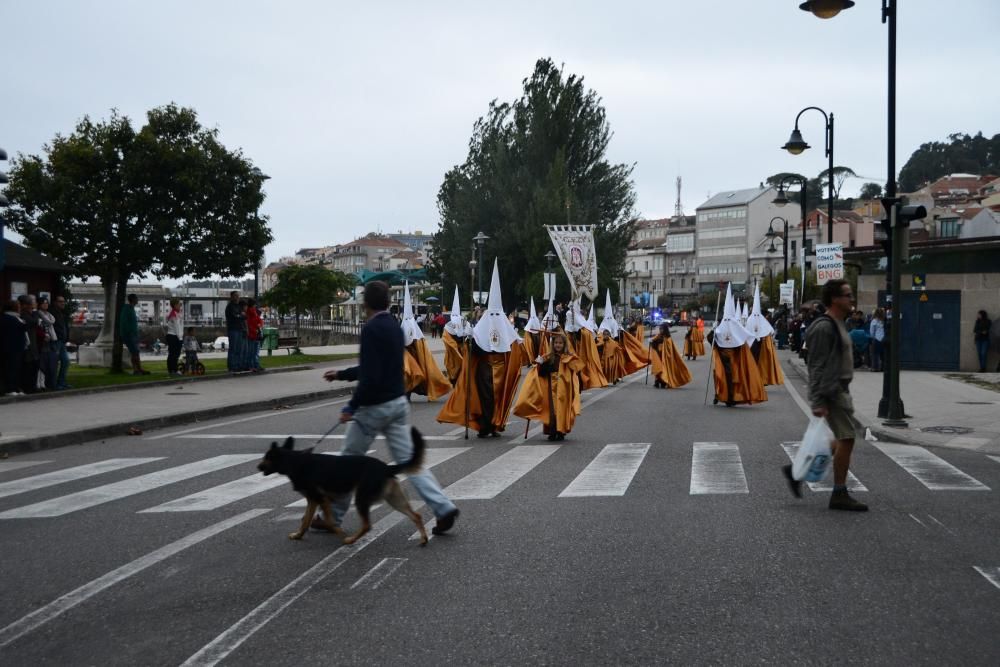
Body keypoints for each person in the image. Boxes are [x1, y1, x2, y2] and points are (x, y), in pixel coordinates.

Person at [322, 280, 459, 535]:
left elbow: (370, 373)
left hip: (374, 406)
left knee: (347, 461)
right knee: (411, 463)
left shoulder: (372, 328)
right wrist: (342, 374)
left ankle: (331, 515)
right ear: (387, 302)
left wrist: (351, 406)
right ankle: (443, 507)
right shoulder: (395, 328)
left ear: (366, 304)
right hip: (398, 401)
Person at [783, 278, 867, 512]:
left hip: (840, 390)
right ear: (834, 299)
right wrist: (818, 400)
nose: (852, 299)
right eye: (847, 295)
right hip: (831, 391)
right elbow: (816, 366)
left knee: (841, 438)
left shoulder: (840, 323)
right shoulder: (823, 327)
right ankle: (839, 493)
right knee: (848, 438)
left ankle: (796, 471)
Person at [438, 260, 525, 438]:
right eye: (490, 314)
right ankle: (485, 425)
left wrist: (519, 342)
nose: (493, 318)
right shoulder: (480, 328)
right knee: (485, 398)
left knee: (498, 398)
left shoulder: (505, 326)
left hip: (502, 369)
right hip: (485, 368)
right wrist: (471, 339)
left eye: (496, 315)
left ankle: (495, 423)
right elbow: (474, 348)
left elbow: (514, 347)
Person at [514, 331, 585, 440]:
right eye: (556, 343)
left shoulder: (569, 357)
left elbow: (576, 369)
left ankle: (561, 431)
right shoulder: (548, 357)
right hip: (551, 387)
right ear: (553, 344)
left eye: (560, 343)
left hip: (564, 388)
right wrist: (540, 363)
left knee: (562, 409)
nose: (558, 345)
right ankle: (552, 431)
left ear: (564, 345)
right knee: (552, 411)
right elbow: (542, 372)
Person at [650, 322, 691, 389]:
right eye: (660, 329)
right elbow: (654, 341)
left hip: (664, 357)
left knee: (664, 368)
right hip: (658, 355)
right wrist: (652, 342)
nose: (660, 330)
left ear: (665, 329)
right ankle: (657, 381)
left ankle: (664, 381)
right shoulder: (658, 335)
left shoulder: (668, 338)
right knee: (658, 367)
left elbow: (668, 348)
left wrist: (659, 342)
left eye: (662, 329)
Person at [1, 299, 27, 396]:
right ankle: (9, 389)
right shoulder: (9, 318)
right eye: (18, 306)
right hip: (10, 347)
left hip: (17, 347)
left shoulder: (16, 318)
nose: (20, 308)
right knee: (10, 368)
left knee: (17, 368)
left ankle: (16, 387)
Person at [119, 294, 150, 376]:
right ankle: (136, 370)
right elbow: (124, 322)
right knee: (134, 352)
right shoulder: (127, 309)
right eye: (136, 298)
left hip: (134, 334)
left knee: (136, 352)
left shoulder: (131, 309)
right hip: (129, 335)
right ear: (133, 299)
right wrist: (129, 332)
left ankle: (139, 369)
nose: (138, 300)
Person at [36, 296, 59, 391]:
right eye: (43, 303)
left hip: (51, 341)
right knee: (41, 364)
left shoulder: (49, 315)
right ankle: (39, 384)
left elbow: (51, 325)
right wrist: (44, 335)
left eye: (46, 303)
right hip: (42, 342)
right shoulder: (38, 315)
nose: (45, 304)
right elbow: (39, 327)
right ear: (40, 304)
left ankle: (44, 383)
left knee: (48, 363)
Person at [52, 295, 72, 390]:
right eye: (60, 301)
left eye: (63, 301)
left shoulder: (61, 313)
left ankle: (61, 382)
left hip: (62, 341)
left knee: (66, 361)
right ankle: (55, 383)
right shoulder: (53, 313)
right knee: (55, 363)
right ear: (55, 302)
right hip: (56, 341)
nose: (63, 303)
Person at [224, 291, 246, 373]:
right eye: (236, 296)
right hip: (233, 329)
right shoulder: (230, 306)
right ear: (232, 297)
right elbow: (235, 316)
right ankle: (232, 366)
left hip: (239, 329)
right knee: (233, 348)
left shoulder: (238, 306)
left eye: (238, 296)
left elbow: (243, 315)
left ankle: (237, 365)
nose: (237, 297)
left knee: (238, 349)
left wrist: (240, 315)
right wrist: (241, 315)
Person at [165, 298, 184, 377]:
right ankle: (172, 370)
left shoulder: (177, 313)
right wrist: (180, 338)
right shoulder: (173, 315)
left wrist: (181, 336)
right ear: (175, 305)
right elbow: (177, 327)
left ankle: (173, 370)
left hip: (176, 336)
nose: (180, 305)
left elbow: (180, 326)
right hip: (173, 336)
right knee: (173, 354)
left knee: (175, 354)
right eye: (179, 304)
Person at [244, 297, 264, 372]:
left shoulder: (253, 312)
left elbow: (258, 320)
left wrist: (259, 325)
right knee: (253, 351)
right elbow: (250, 324)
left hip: (254, 334)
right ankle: (253, 365)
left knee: (253, 351)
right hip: (253, 334)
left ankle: (254, 365)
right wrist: (258, 327)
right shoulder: (252, 312)